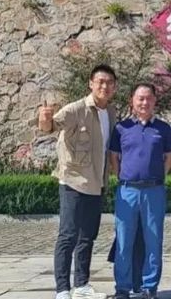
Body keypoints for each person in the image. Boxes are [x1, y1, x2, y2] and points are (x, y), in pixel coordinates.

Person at [38, 64, 117, 299]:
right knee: (68, 235)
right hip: (73, 182)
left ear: (114, 87)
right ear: (90, 83)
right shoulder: (75, 109)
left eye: (109, 82)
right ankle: (62, 289)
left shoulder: (111, 112)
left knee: (88, 236)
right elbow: (50, 127)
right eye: (100, 81)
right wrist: (44, 118)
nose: (104, 86)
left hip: (97, 184)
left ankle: (81, 285)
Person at [110, 83, 171, 299]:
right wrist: (122, 176)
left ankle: (150, 287)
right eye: (140, 98)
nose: (144, 102)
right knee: (123, 241)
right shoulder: (122, 128)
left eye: (148, 98)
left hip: (154, 191)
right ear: (132, 100)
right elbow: (114, 157)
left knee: (153, 240)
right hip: (127, 191)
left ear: (154, 100)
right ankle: (122, 287)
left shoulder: (163, 128)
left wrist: (159, 177)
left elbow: (169, 156)